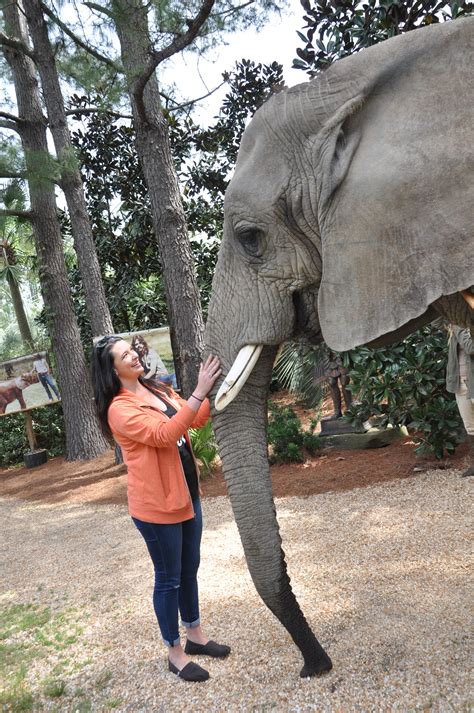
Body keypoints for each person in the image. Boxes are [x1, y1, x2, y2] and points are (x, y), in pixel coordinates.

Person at [91, 335, 229, 682]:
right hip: (156, 507)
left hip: (186, 494)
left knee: (189, 569)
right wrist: (198, 391)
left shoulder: (156, 388)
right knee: (168, 579)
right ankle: (175, 652)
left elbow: (193, 418)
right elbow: (166, 434)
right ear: (112, 369)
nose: (135, 356)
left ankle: (195, 636)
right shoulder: (119, 409)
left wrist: (214, 391)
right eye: (125, 355)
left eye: (134, 350)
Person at [446, 325, 473, 477]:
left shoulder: (460, 327)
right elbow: (435, 321)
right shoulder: (455, 324)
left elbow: (470, 347)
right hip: (460, 384)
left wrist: (458, 327)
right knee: (470, 427)